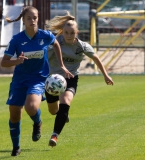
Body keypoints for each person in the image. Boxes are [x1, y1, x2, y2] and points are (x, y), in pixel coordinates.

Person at [0, 6, 73, 156]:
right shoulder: (16, 40)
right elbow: (4, 62)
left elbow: (56, 44)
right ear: (23, 20)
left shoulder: (44, 35)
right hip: (19, 80)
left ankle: (37, 122)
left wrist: (61, 65)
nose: (32, 21)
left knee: (31, 107)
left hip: (38, 79)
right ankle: (16, 147)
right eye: (29, 18)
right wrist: (17, 61)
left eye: (35, 18)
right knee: (14, 115)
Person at [45, 11, 114, 147]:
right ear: (62, 32)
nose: (69, 36)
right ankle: (63, 115)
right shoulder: (55, 43)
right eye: (66, 32)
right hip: (52, 80)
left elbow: (96, 58)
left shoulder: (82, 46)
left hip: (70, 78)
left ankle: (55, 135)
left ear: (76, 32)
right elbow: (43, 58)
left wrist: (105, 75)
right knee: (53, 111)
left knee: (65, 101)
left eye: (72, 33)